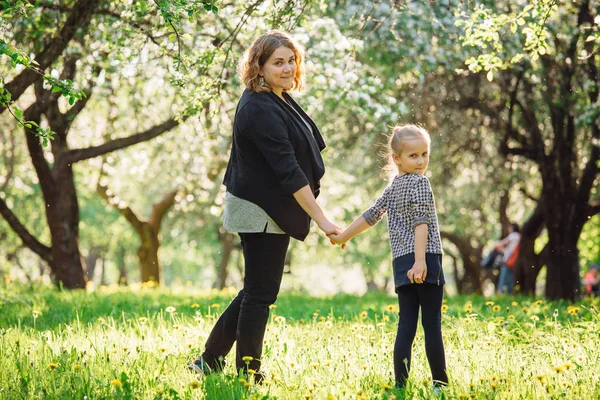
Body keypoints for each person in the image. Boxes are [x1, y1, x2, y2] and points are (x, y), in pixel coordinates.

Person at [188, 30, 341, 381]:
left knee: (255, 290)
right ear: (259, 66)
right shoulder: (259, 108)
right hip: (260, 209)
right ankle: (247, 372)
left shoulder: (276, 96)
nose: (287, 68)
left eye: (291, 60)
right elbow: (288, 170)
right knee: (260, 294)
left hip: (270, 206)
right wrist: (321, 219)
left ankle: (209, 360)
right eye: (278, 62)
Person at [328, 124, 448, 391]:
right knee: (431, 326)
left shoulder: (393, 187)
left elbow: (371, 215)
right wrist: (421, 261)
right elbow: (421, 224)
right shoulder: (420, 183)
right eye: (413, 156)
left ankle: (400, 385)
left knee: (406, 326)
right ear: (396, 158)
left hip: (402, 263)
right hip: (424, 259)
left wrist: (343, 236)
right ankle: (440, 384)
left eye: (425, 154)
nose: (421, 161)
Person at [494, 223, 520, 294]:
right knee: (510, 279)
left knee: (504, 279)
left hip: (508, 261)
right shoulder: (518, 236)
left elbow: (500, 244)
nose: (508, 229)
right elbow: (509, 251)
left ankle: (502, 293)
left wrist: (496, 245)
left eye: (509, 228)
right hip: (513, 261)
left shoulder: (513, 235)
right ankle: (510, 294)